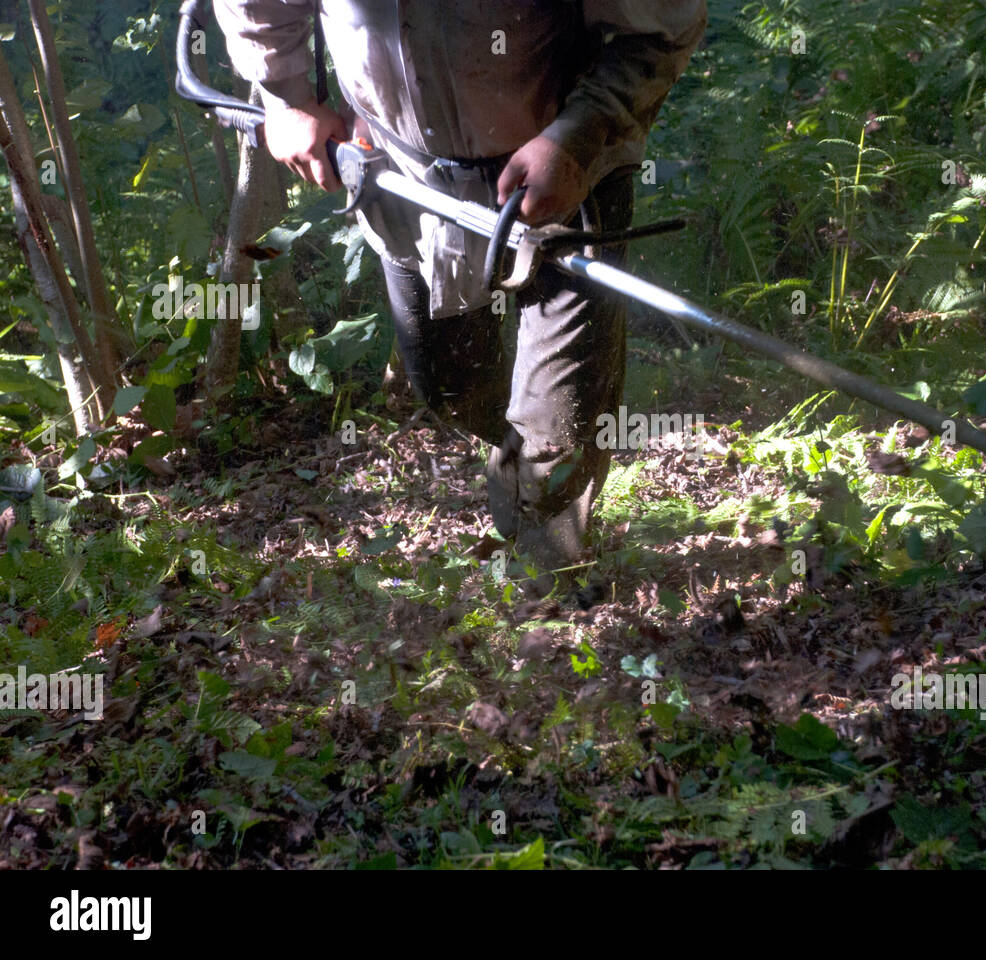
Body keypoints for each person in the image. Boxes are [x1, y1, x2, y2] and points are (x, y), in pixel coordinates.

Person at [213, 1, 707, 570]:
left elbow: (664, 25)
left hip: (572, 172)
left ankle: (548, 586)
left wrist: (582, 132)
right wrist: (287, 97)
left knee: (556, 433)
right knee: (450, 387)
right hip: (404, 181)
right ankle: (516, 458)